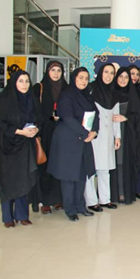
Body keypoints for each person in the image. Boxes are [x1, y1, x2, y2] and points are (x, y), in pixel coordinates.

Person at [47, 67, 99, 222]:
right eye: (80, 77)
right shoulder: (66, 95)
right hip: (68, 141)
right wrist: (85, 133)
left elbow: (96, 115)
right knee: (68, 177)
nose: (84, 81)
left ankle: (80, 206)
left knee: (81, 175)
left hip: (84, 140)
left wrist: (94, 132)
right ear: (74, 78)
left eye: (86, 78)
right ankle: (70, 209)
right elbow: (67, 118)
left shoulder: (87, 96)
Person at [0, 71, 41, 228]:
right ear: (14, 82)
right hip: (7, 148)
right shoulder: (4, 101)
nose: (25, 85)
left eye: (27, 81)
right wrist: (19, 131)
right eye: (21, 81)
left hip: (25, 146)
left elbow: (39, 119)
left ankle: (22, 215)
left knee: (23, 179)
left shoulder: (31, 100)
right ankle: (7, 217)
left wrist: (36, 129)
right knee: (8, 181)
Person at [30, 60, 67, 215]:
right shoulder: (39, 88)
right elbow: (33, 110)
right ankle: (45, 201)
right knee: (44, 166)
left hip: (62, 131)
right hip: (44, 132)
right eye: (53, 70)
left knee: (60, 165)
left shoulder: (66, 88)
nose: (56, 74)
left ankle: (58, 198)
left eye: (59, 70)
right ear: (47, 72)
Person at [86, 64, 121, 212]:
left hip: (108, 136)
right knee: (90, 169)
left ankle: (105, 199)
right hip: (93, 135)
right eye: (106, 72)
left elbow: (116, 117)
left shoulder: (114, 93)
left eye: (112, 73)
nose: (108, 76)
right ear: (100, 73)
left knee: (105, 169)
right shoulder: (91, 90)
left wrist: (117, 136)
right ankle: (91, 201)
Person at [110, 67, 140, 205]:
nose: (123, 79)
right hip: (111, 132)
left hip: (127, 133)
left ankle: (123, 192)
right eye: (120, 76)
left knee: (123, 162)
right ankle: (113, 194)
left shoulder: (133, 95)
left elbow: (138, 116)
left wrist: (126, 118)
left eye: (126, 77)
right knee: (113, 163)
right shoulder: (110, 93)